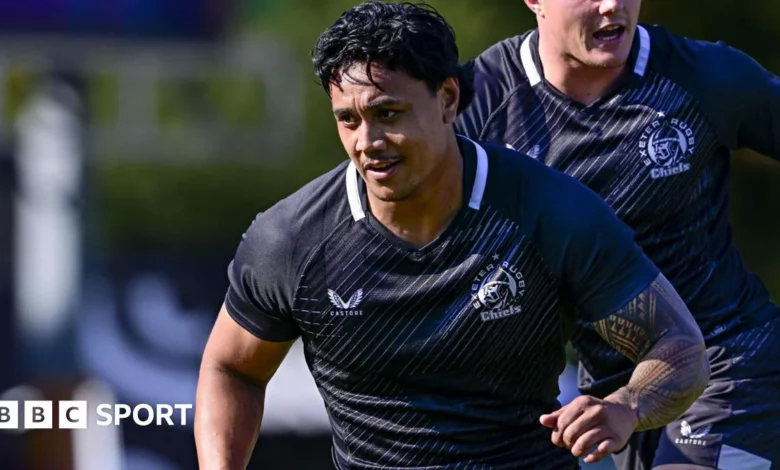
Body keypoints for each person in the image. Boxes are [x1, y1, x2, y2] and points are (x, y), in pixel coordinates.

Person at [194, 2, 709, 469]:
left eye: (387, 114)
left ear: (447, 99)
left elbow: (680, 346)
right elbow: (232, 368)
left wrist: (626, 406)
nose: (367, 141)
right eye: (348, 120)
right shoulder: (292, 239)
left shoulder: (550, 212)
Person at [455, 0, 780, 468]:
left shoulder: (704, 76)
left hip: (729, 362)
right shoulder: (472, 105)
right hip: (613, 395)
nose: (612, 4)